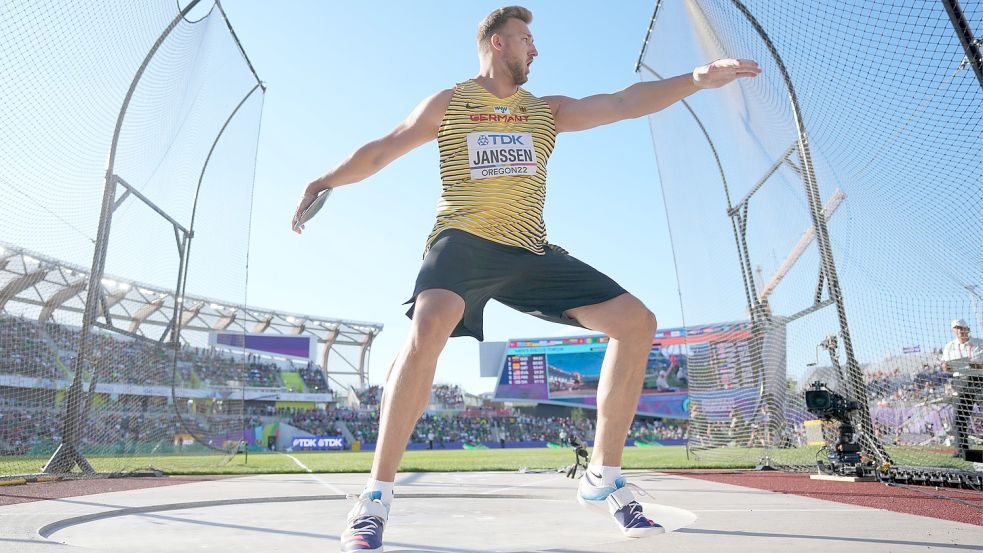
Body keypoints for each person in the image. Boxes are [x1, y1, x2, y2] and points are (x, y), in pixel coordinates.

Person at [291, 6, 760, 551]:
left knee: (638, 323)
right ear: (496, 44)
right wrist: (322, 181)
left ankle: (603, 477)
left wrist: (698, 79)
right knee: (432, 320)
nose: (534, 50)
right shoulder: (452, 103)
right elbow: (383, 148)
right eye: (524, 40)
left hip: (528, 250)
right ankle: (374, 499)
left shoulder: (544, 112)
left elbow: (624, 103)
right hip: (463, 241)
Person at [940, 319, 982, 457]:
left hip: (979, 381)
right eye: (957, 328)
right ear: (954, 330)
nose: (960, 330)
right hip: (960, 381)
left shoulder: (979, 343)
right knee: (959, 416)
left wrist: (973, 366)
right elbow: (946, 368)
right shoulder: (949, 347)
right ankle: (961, 451)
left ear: (968, 329)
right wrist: (947, 367)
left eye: (962, 328)